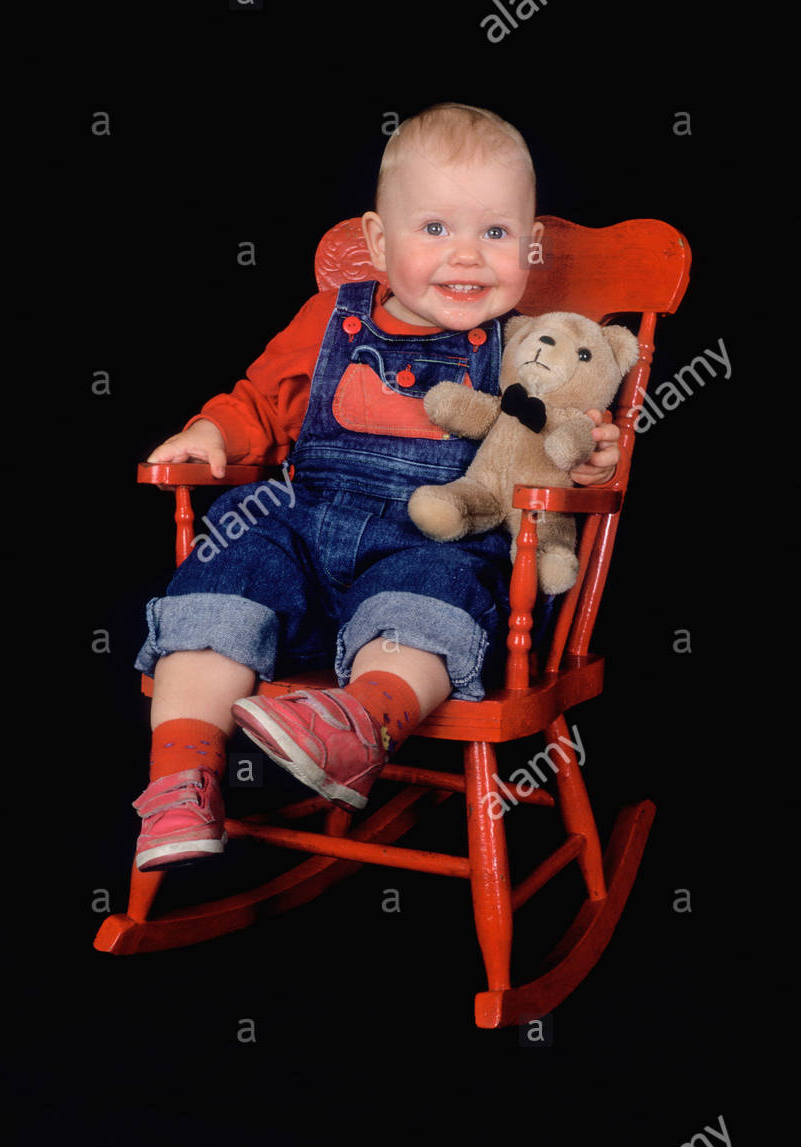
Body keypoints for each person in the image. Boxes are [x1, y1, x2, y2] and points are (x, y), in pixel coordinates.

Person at [130, 102, 621, 871]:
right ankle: (180, 781)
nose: (466, 257)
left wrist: (591, 459)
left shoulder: (526, 345)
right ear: (377, 241)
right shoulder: (329, 318)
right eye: (435, 230)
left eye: (494, 234)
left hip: (431, 542)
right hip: (304, 535)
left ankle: (356, 725)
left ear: (528, 247)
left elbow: (553, 443)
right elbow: (260, 401)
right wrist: (212, 436)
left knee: (436, 590)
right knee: (230, 556)